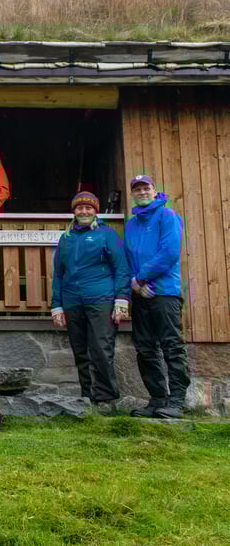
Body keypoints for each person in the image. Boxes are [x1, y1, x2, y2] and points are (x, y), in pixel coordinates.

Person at [51, 191, 130, 414]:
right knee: (80, 351)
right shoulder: (66, 238)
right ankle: (87, 397)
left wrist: (121, 299)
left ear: (96, 211)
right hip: (72, 301)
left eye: (89, 208)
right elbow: (58, 273)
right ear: (74, 211)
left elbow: (121, 267)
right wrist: (57, 305)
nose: (84, 211)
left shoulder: (107, 235)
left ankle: (106, 399)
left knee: (101, 349)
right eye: (79, 208)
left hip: (101, 299)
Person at [124, 175, 189, 419]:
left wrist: (141, 278)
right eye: (137, 189)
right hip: (140, 295)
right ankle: (157, 399)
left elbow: (169, 252)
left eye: (146, 188)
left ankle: (177, 401)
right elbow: (128, 258)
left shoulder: (168, 216)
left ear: (154, 191)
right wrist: (134, 283)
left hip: (164, 293)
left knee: (172, 347)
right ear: (132, 194)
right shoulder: (131, 224)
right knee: (145, 349)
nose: (142, 192)